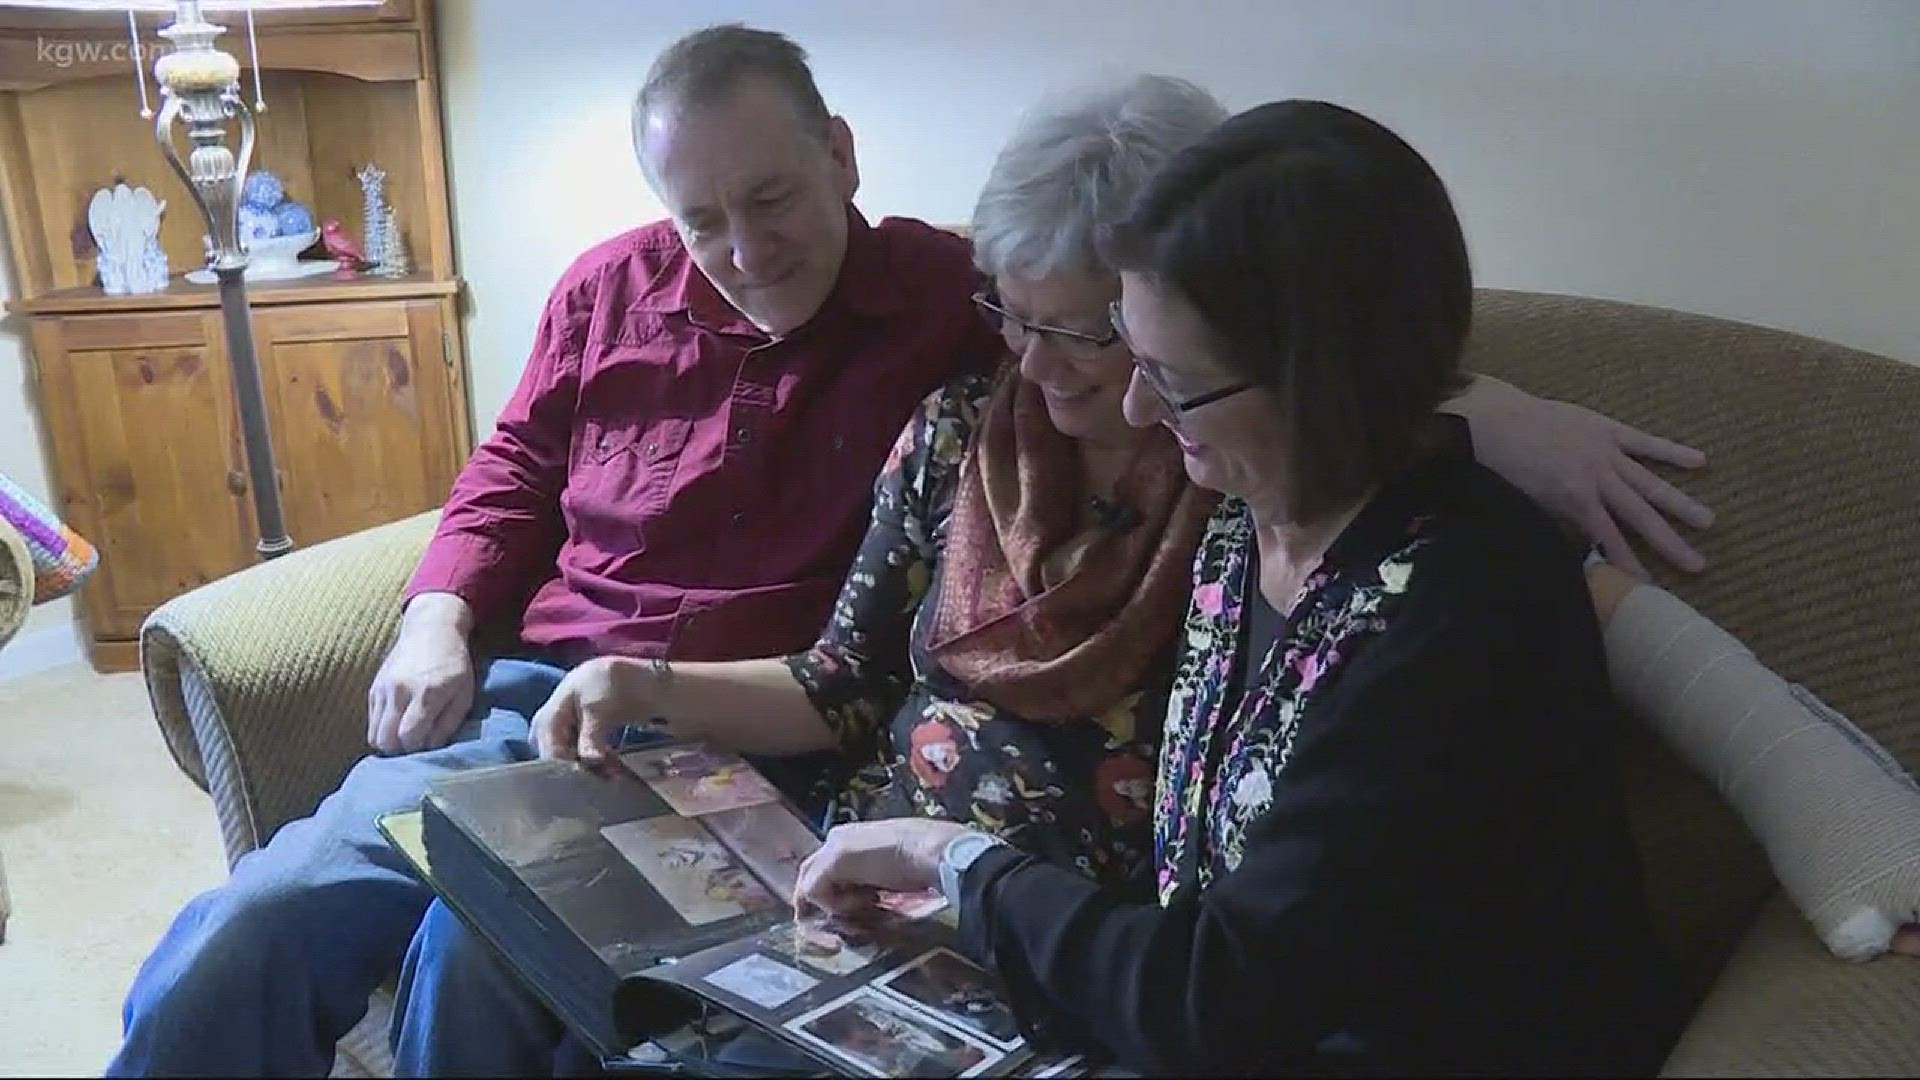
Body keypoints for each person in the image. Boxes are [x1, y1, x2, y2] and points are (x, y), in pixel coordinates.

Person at [108, 25, 1709, 1078]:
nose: (1086, 378)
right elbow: (555, 496)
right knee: (276, 934)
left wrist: (1472, 396)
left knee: (502, 960)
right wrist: (480, 625)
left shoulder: (1256, 487)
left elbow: (1333, 341)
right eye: (701, 218)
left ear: (847, 158)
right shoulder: (975, 389)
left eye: (1120, 344)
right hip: (642, 733)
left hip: (995, 905)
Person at [791, 100, 1685, 1076]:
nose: (1135, 403)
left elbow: (1218, 1001)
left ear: (1319, 381)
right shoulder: (1242, 528)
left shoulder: (1458, 608)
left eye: (1173, 380)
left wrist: (948, 860)